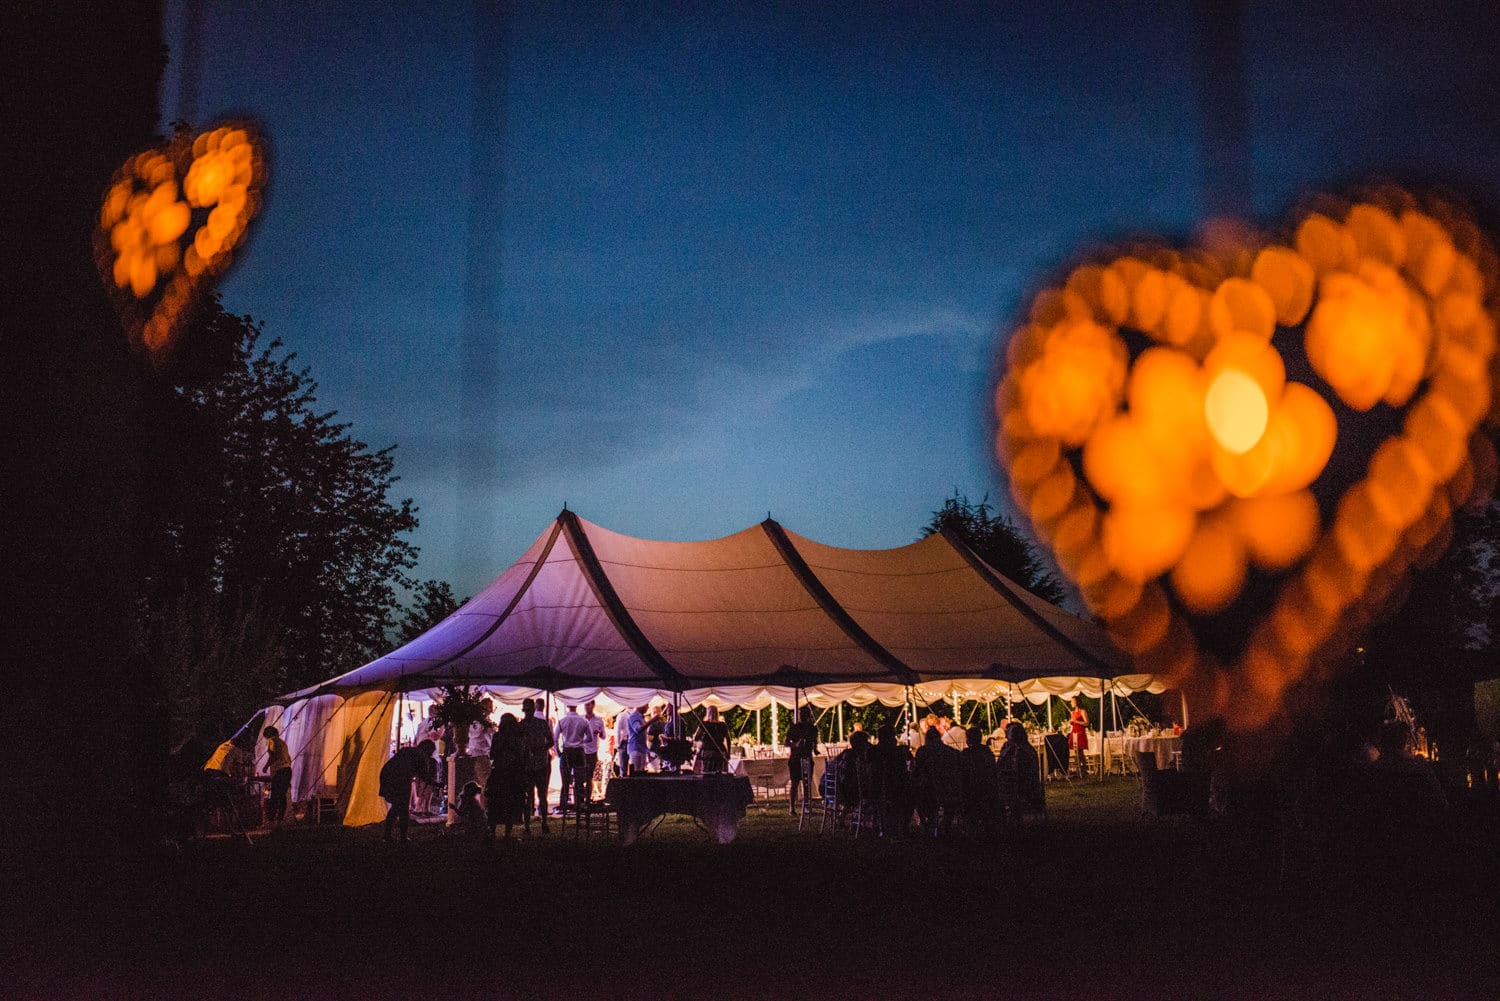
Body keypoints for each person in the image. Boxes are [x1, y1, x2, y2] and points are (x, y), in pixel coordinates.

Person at [379, 738, 437, 842]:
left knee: (396, 806)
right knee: (402, 807)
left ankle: (388, 835)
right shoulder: (421, 756)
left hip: (387, 773)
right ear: (428, 750)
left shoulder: (408, 750)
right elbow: (424, 775)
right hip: (400, 777)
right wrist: (435, 783)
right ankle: (402, 837)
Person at [912, 726, 961, 836]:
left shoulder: (923, 751)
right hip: (950, 788)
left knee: (916, 793)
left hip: (930, 789)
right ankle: (945, 824)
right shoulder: (951, 752)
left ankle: (927, 824)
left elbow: (917, 771)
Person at [486, 714, 526, 841]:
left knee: (496, 803)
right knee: (510, 802)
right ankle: (507, 832)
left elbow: (492, 754)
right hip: (512, 773)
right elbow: (521, 755)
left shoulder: (499, 737)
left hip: (501, 772)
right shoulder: (517, 738)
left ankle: (493, 831)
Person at [518, 698, 554, 833]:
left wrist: (539, 748)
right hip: (531, 764)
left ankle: (542, 823)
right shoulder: (522, 726)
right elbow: (550, 741)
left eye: (529, 710)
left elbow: (550, 741)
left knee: (539, 795)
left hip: (538, 763)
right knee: (531, 796)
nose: (528, 713)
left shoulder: (538, 724)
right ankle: (532, 825)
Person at [997, 721, 1044, 821]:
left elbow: (1012, 770)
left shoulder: (1018, 750)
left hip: (1023, 788)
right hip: (1028, 786)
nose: (1006, 736)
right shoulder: (1027, 748)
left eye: (1008, 733)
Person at [959, 725, 999, 836]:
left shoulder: (967, 753)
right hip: (988, 787)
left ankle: (970, 826)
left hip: (974, 790)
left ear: (968, 739)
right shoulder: (986, 751)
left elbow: (962, 772)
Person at [872, 723, 912, 835]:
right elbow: (908, 764)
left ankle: (895, 824)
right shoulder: (896, 752)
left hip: (875, 787)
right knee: (911, 793)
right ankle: (904, 826)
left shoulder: (873, 751)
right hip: (890, 788)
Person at [554, 703, 592, 813]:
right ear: (576, 707)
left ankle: (564, 805)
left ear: (567, 707)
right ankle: (578, 804)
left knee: (565, 782)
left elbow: (555, 738)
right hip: (579, 752)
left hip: (567, 751)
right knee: (579, 781)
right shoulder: (584, 721)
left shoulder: (562, 721)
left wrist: (558, 752)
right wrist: (581, 742)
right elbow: (590, 738)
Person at [786, 706, 819, 815]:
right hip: (795, 758)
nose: (803, 716)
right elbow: (786, 742)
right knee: (794, 783)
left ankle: (806, 806)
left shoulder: (813, 729)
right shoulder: (794, 728)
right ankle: (792, 807)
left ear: (808, 715)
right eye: (802, 714)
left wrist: (815, 749)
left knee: (807, 784)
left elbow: (815, 742)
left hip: (807, 757)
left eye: (805, 714)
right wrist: (795, 744)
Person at [261, 726, 293, 826]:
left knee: (274, 795)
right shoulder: (283, 743)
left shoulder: (272, 740)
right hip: (287, 769)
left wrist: (266, 766)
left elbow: (273, 755)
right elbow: (288, 758)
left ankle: (271, 820)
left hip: (280, 770)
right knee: (282, 795)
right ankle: (280, 820)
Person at [693, 705, 730, 774]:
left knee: (706, 772)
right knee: (719, 773)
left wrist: (702, 739)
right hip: (720, 751)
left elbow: (696, 737)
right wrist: (728, 753)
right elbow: (728, 739)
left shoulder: (704, 724)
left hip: (707, 752)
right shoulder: (723, 725)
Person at [582, 701, 606, 802]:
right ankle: (580, 799)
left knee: (589, 777)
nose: (586, 707)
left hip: (592, 751)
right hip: (581, 750)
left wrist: (599, 732)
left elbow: (604, 736)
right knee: (580, 777)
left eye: (588, 704)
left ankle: (588, 799)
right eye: (585, 705)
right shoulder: (581, 719)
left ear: (593, 705)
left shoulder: (598, 720)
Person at [1068, 697, 1090, 776]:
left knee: (1080, 751)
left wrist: (1076, 721)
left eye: (1072, 701)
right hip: (1074, 732)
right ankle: (1079, 770)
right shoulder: (1072, 712)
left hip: (1080, 732)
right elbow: (1072, 722)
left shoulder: (1082, 711)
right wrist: (1071, 722)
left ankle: (1083, 769)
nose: (1071, 703)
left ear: (1076, 702)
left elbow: (1086, 723)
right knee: (1076, 751)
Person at [625, 703, 648, 775]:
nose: (648, 707)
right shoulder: (633, 716)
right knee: (635, 773)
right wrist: (652, 721)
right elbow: (638, 729)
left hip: (642, 748)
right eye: (646, 705)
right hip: (635, 749)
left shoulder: (641, 717)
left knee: (641, 772)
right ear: (641, 705)